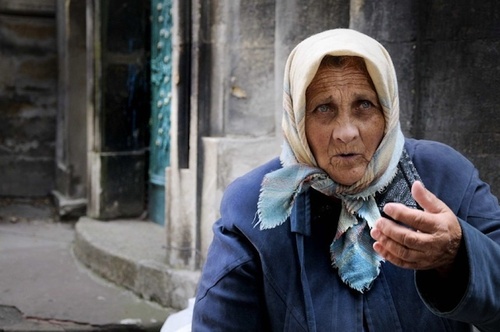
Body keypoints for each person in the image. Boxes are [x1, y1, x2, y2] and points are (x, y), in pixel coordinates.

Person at [191, 29, 500, 331]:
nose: (346, 132)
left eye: (363, 105)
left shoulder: (444, 177)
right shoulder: (252, 210)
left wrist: (458, 254)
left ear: (387, 111)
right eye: (324, 108)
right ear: (297, 119)